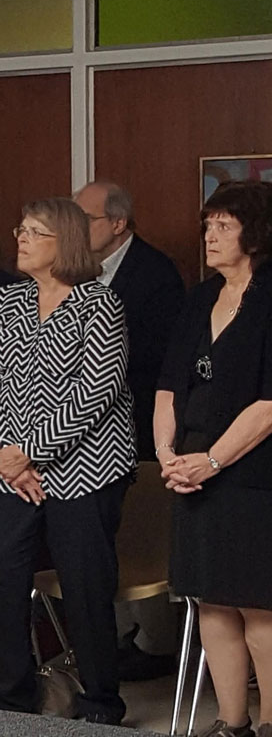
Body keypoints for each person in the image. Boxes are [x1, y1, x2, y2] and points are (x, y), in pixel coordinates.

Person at [154, 180, 272, 737]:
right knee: (212, 602)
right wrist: (168, 454)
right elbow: (168, 386)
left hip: (260, 473)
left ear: (257, 233)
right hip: (194, 471)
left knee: (261, 602)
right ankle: (231, 721)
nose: (210, 235)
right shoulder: (199, 297)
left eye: (224, 226)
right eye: (208, 225)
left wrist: (213, 460)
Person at [0, 197, 136, 725]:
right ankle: (14, 697)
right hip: (14, 471)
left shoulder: (100, 304)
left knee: (85, 587)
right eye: (21, 229)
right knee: (6, 575)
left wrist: (31, 452)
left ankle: (101, 701)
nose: (21, 238)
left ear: (67, 243)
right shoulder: (10, 301)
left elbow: (96, 391)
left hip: (87, 470)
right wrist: (8, 458)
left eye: (35, 232)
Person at [75, 181, 184, 678]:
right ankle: (117, 640)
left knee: (144, 529)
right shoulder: (78, 270)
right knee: (107, 539)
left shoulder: (154, 272)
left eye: (86, 218)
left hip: (139, 424)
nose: (76, 227)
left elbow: (159, 356)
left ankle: (154, 644)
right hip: (86, 433)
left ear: (117, 223)